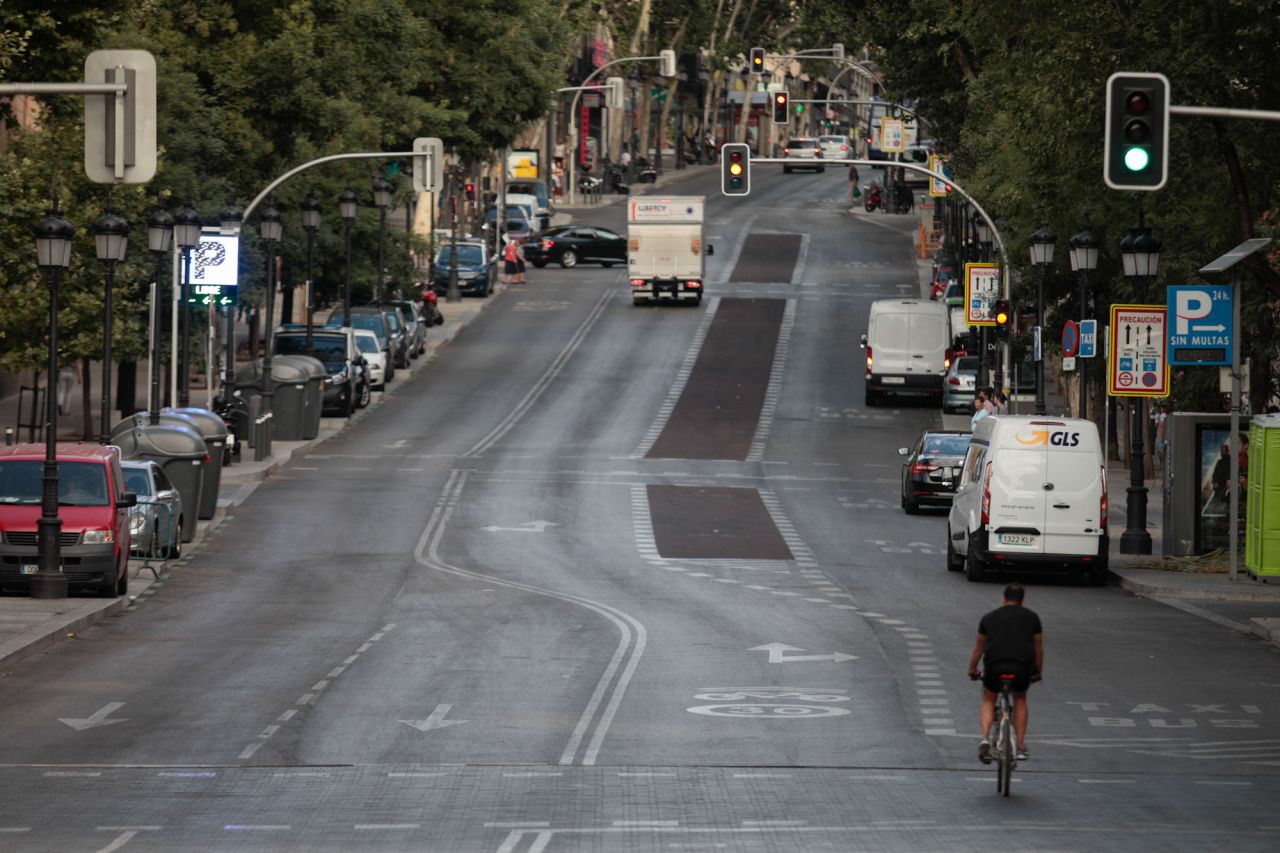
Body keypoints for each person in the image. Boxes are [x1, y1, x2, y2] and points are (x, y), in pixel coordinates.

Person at [968, 582, 1042, 763]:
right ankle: (1021, 746)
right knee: (1020, 698)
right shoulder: (1032, 618)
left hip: (995, 667)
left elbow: (979, 648)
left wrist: (972, 669)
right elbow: (1039, 649)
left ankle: (985, 738)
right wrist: (1037, 671)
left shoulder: (989, 618)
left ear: (1003, 599)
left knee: (988, 698)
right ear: (1022, 601)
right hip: (1021, 667)